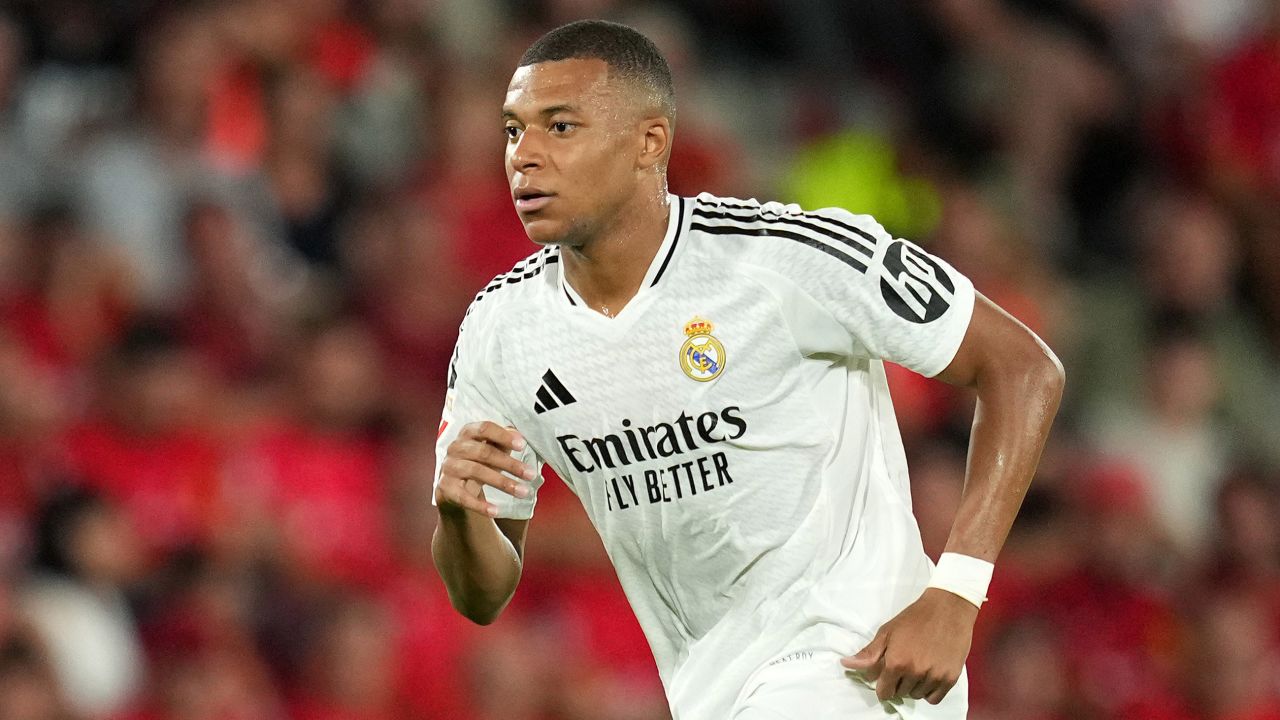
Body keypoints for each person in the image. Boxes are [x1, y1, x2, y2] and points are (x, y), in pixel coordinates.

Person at [432, 19, 1064, 720]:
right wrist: (461, 517)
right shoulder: (502, 331)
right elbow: (481, 594)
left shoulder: (788, 257)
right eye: (513, 130)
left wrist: (956, 592)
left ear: (650, 142)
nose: (525, 156)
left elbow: (1023, 366)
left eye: (560, 127)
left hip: (860, 665)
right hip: (713, 691)